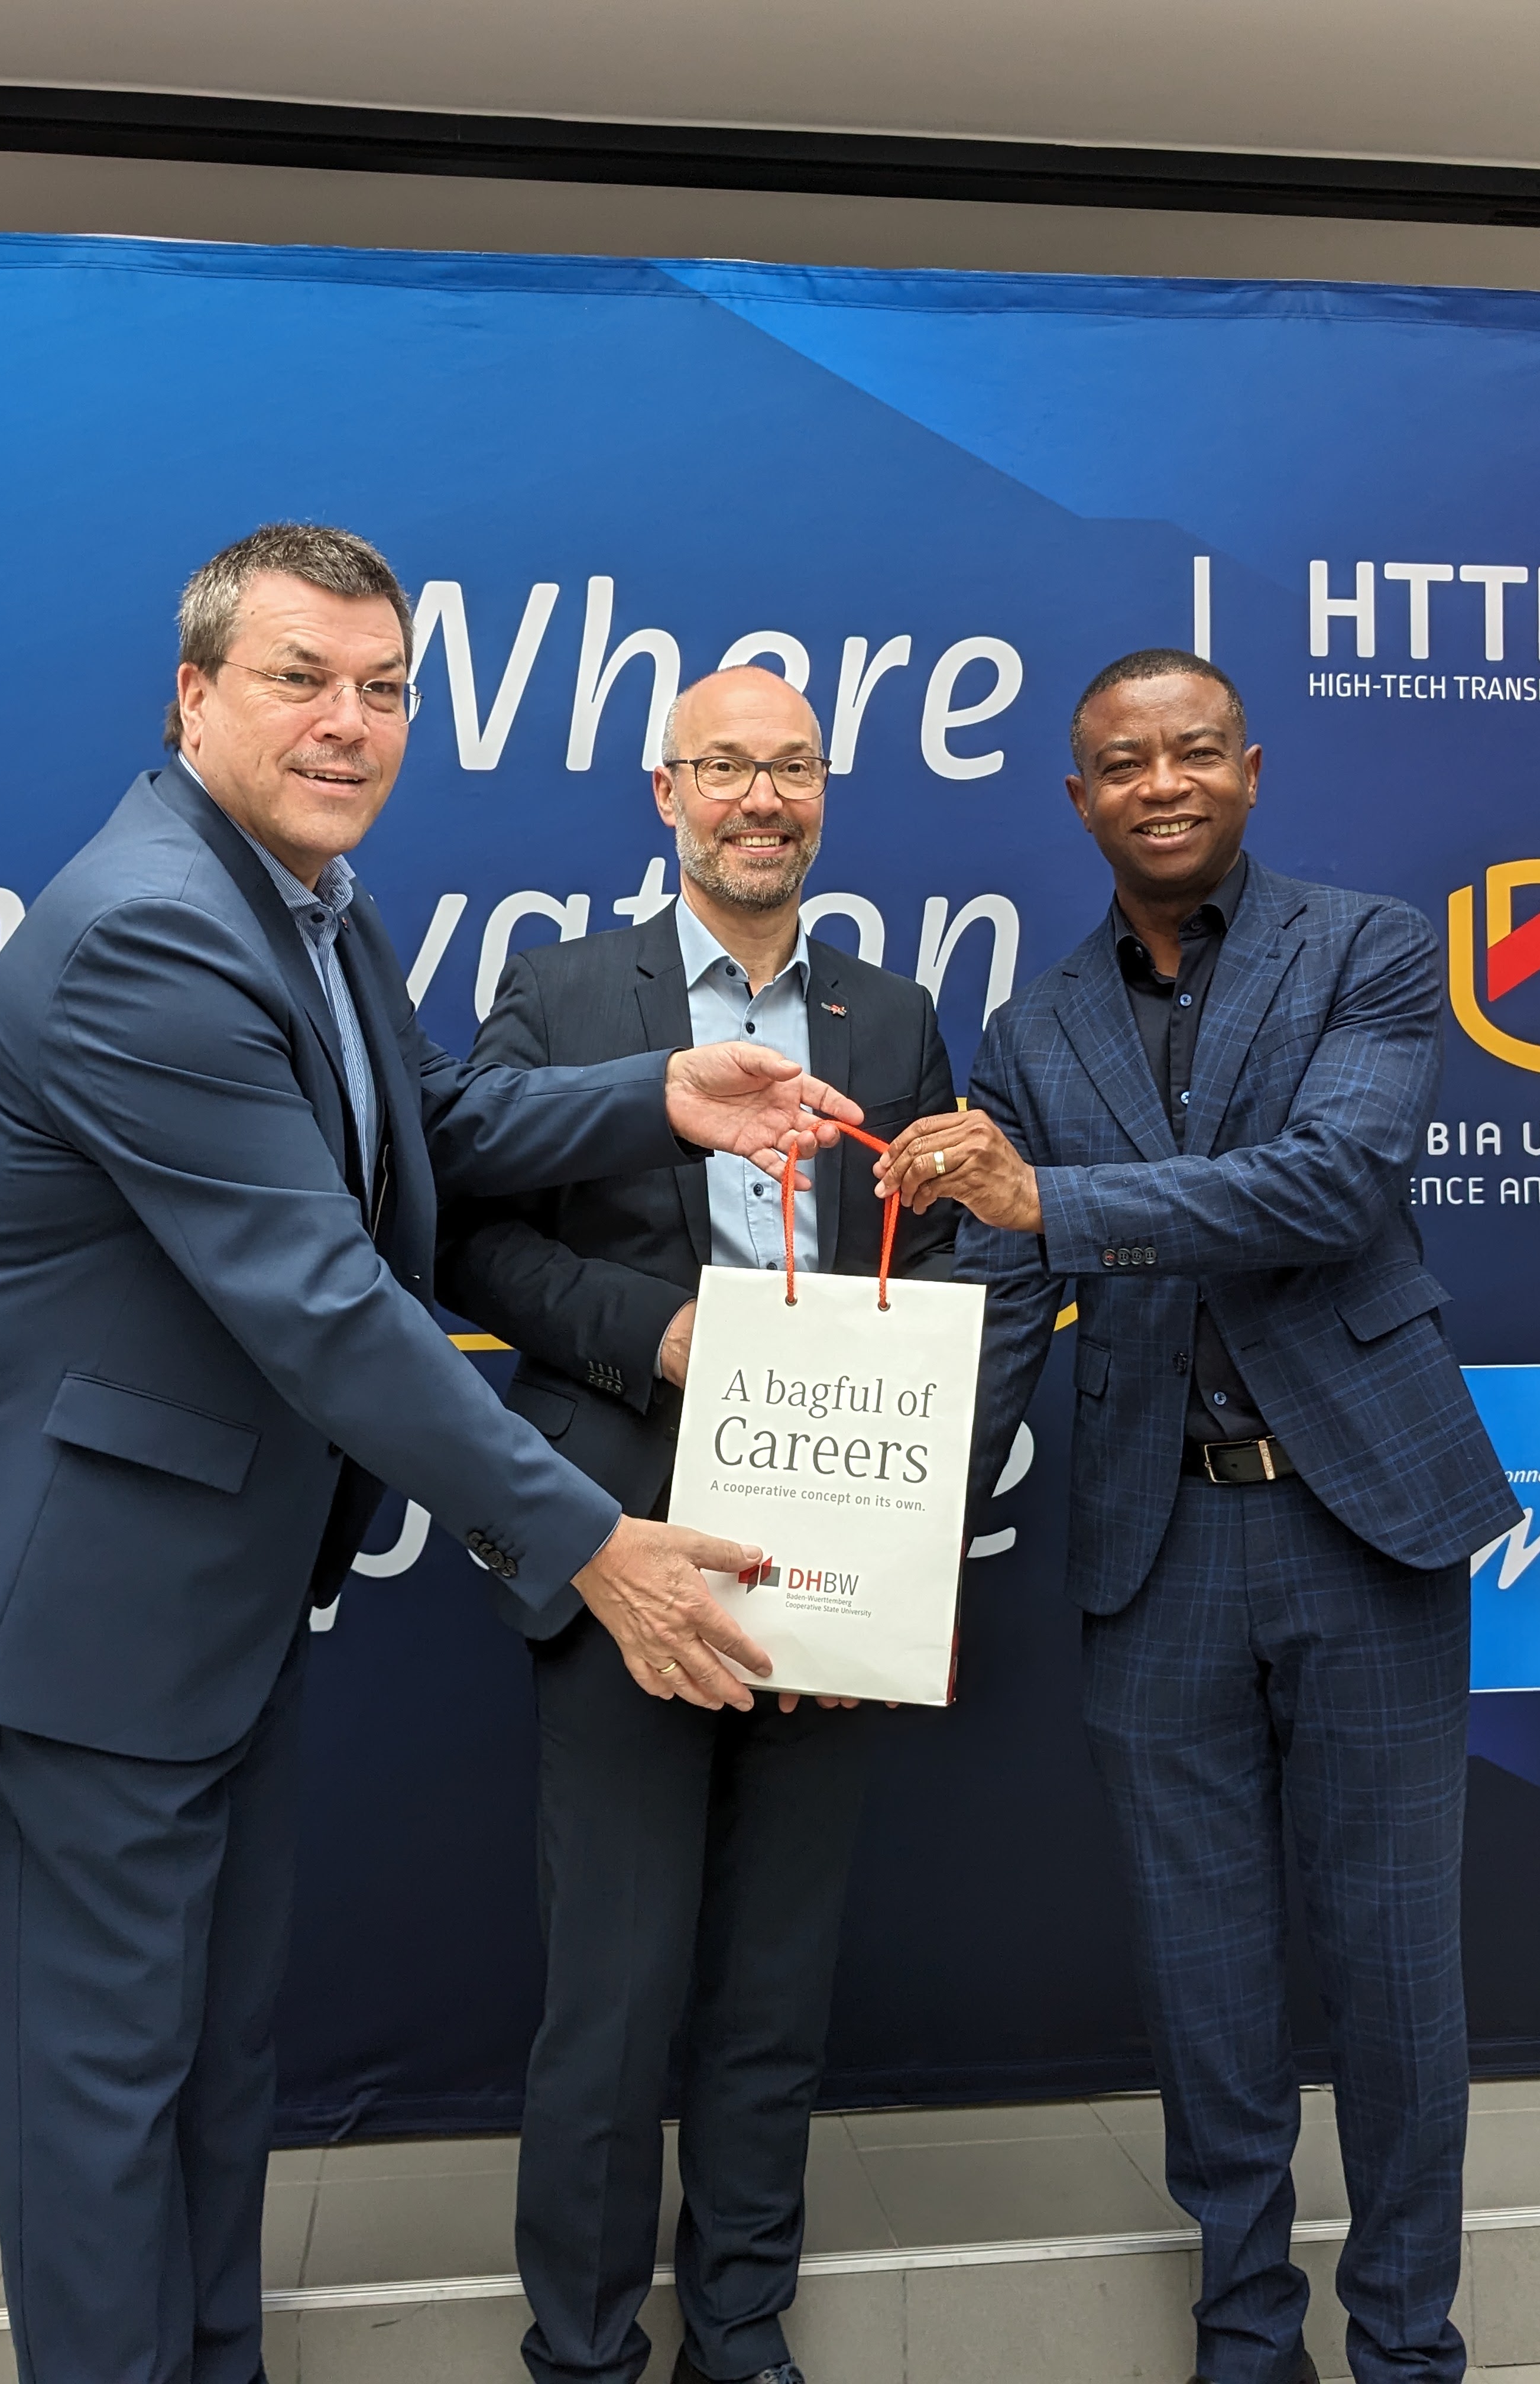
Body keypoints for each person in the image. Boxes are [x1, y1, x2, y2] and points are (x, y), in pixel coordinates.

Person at [0, 527, 866, 2384]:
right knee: (99, 2117)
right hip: (60, 1607)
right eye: (298, 678)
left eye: (386, 688)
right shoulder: (154, 926)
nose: (350, 724)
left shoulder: (302, 896)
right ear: (193, 697)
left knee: (206, 2074)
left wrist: (656, 1087)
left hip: (198, 1601)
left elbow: (429, 1116)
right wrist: (596, 1544)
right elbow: (321, 1300)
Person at [873, 649, 1520, 2384]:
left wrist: (1052, 1198)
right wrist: (887, 1554)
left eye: (1193, 752)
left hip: (1363, 1524)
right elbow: (1006, 1302)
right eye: (1120, 762)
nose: (1161, 781)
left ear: (1251, 769)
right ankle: (1246, 2338)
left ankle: (1406, 2346)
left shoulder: (1370, 947)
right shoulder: (1030, 1030)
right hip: (1155, 1550)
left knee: (1393, 1971)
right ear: (1076, 799)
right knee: (1203, 1976)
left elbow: (1334, 1187)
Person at [438, 664, 957, 2384]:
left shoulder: (890, 1018)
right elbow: (466, 1240)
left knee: (774, 1992)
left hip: (838, 1562)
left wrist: (886, 1557)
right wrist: (651, 1332)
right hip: (621, 1550)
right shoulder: (569, 991)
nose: (760, 800)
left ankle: (742, 2330)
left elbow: (935, 1282)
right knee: (614, 1993)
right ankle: (584, 2352)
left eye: (791, 770)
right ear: (664, 793)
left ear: (828, 794)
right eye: (724, 768)